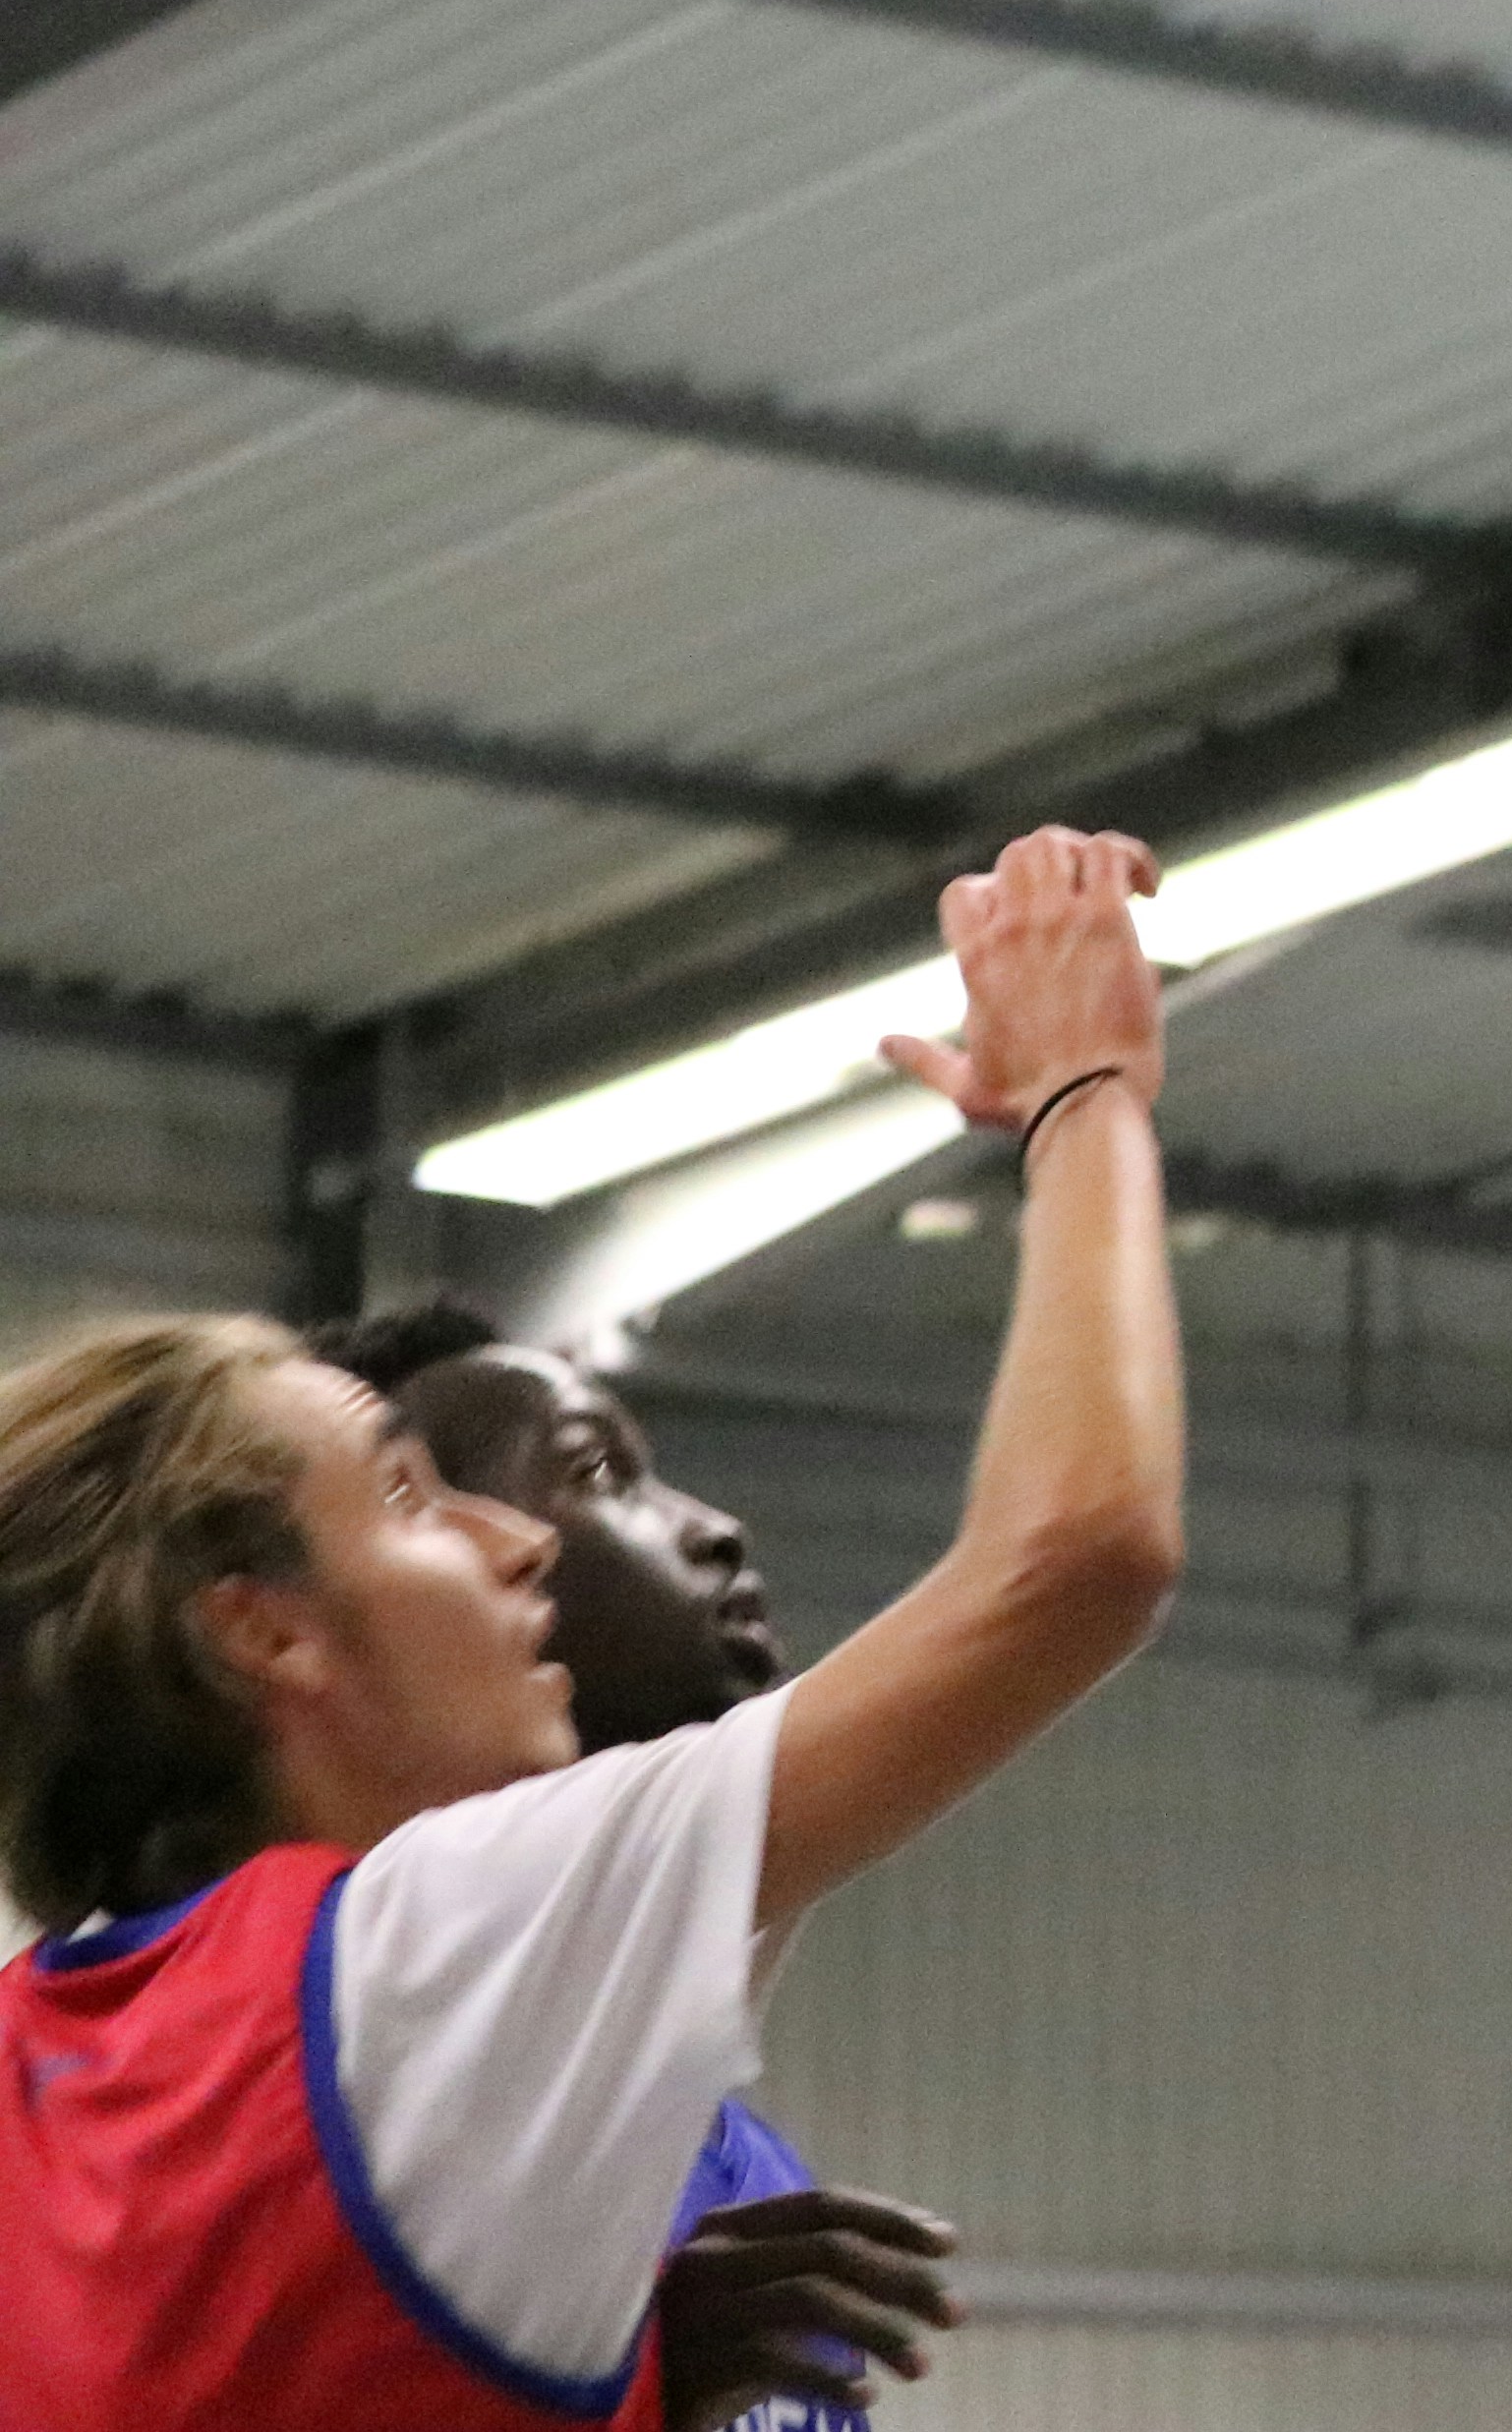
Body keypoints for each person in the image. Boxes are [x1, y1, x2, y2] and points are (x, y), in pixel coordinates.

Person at [0, 828, 1188, 2431]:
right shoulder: (427, 1946)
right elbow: (1083, 1554)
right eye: (416, 1498)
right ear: (264, 1635)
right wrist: (1083, 1096)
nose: (516, 1548)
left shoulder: (51, 2070)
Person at [319, 1298, 969, 2430]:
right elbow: (1079, 1561)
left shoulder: (736, 2165)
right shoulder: (348, 2102)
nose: (713, 1524)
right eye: (599, 1470)